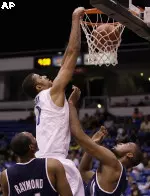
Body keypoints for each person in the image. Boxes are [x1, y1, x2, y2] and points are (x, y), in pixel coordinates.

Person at [22, 7, 85, 196]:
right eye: (39, 77)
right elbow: (73, 52)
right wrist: (75, 19)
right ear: (38, 87)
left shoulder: (43, 100)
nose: (44, 75)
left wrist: (69, 104)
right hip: (56, 163)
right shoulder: (51, 94)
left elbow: (65, 58)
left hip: (41, 163)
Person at [69, 92, 143, 196]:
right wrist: (93, 143)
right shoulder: (110, 174)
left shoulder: (113, 162)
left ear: (129, 155)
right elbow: (83, 170)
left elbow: (78, 135)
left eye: (126, 144)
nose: (121, 143)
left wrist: (71, 104)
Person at [0, 132, 73, 196]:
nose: (36, 138)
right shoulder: (52, 165)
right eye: (33, 138)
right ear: (31, 147)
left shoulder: (5, 175)